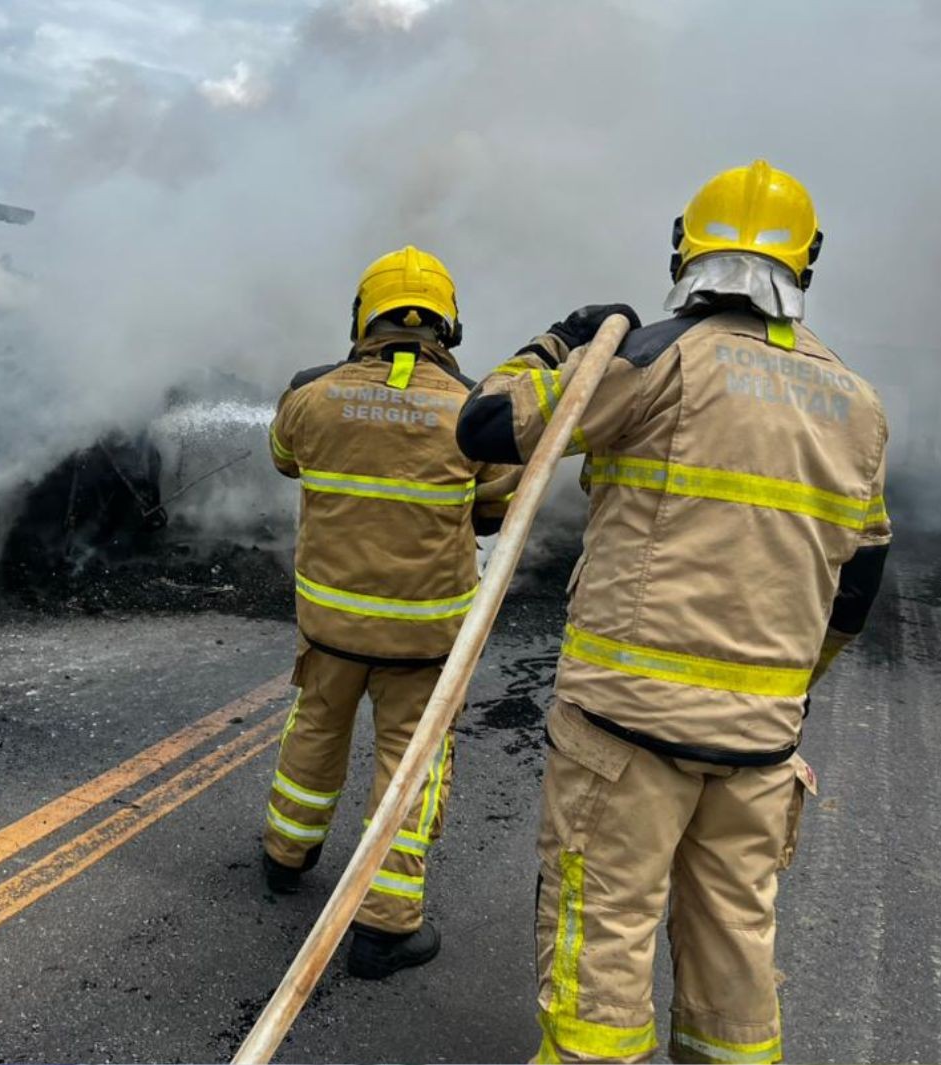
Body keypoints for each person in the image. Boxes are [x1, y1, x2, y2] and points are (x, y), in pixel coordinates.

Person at [456, 160, 891, 1063]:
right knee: (735, 957)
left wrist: (557, 343)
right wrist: (785, 686)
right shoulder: (858, 404)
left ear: (683, 249)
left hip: (626, 734)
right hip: (759, 745)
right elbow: (857, 583)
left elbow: (487, 428)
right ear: (805, 265)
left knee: (602, 949)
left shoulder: (652, 358)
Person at [262, 245, 515, 980]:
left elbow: (284, 456)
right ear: (450, 326)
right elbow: (496, 510)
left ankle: (285, 856)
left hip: (330, 627)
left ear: (362, 317)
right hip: (422, 639)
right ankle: (383, 927)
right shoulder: (476, 410)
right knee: (409, 769)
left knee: (314, 731)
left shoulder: (312, 396)